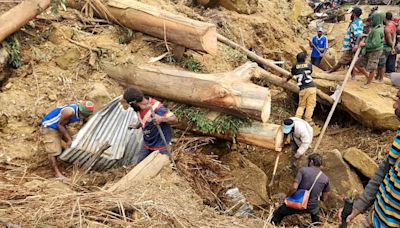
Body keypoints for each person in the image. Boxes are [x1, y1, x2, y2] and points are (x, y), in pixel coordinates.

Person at [338, 89, 400, 228]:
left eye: (399, 99)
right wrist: (359, 206)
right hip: (374, 217)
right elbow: (384, 169)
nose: (394, 105)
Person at [271, 153, 330, 226]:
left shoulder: (303, 170)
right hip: (311, 206)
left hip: (297, 203)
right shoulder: (325, 178)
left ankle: (271, 224)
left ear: (311, 161)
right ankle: (316, 225)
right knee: (316, 218)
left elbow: (294, 188)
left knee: (279, 213)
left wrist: (287, 197)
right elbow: (324, 198)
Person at [41, 101, 95, 179]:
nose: (86, 117)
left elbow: (85, 120)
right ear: (81, 111)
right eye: (85, 115)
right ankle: (56, 173)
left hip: (62, 125)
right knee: (53, 151)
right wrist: (68, 139)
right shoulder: (69, 112)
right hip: (50, 126)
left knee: (75, 140)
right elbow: (60, 125)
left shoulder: (82, 112)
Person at [123, 87, 178, 163]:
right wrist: (137, 125)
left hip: (161, 146)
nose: (130, 107)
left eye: (130, 104)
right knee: (140, 165)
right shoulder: (138, 109)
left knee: (159, 168)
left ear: (134, 102)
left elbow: (174, 119)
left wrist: (161, 119)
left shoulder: (157, 108)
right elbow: (145, 120)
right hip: (147, 144)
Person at [283, 52, 317, 125]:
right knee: (310, 105)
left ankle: (297, 118)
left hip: (302, 89)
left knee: (301, 105)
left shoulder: (294, 67)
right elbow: (310, 72)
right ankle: (308, 119)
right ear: (304, 59)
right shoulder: (309, 65)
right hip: (311, 87)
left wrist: (286, 80)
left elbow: (291, 75)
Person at [328, 7, 363, 75]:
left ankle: (331, 71)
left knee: (342, 61)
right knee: (350, 61)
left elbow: (359, 35)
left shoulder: (356, 23)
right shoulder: (357, 22)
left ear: (354, 14)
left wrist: (355, 45)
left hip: (351, 46)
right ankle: (353, 75)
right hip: (351, 45)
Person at [355, 12, 385, 89]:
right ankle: (367, 76)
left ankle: (368, 83)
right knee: (358, 64)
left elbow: (375, 44)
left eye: (373, 19)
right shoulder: (377, 27)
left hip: (375, 51)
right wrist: (367, 36)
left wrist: (364, 44)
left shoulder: (377, 30)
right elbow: (374, 38)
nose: (371, 21)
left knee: (372, 67)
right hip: (369, 50)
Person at [376, 12, 396, 82]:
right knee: (382, 63)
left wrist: (392, 46)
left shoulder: (387, 28)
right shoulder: (393, 24)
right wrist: (393, 45)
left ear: (385, 19)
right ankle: (377, 77)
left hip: (385, 47)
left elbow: (388, 40)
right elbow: (394, 35)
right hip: (389, 47)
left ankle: (380, 79)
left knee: (382, 64)